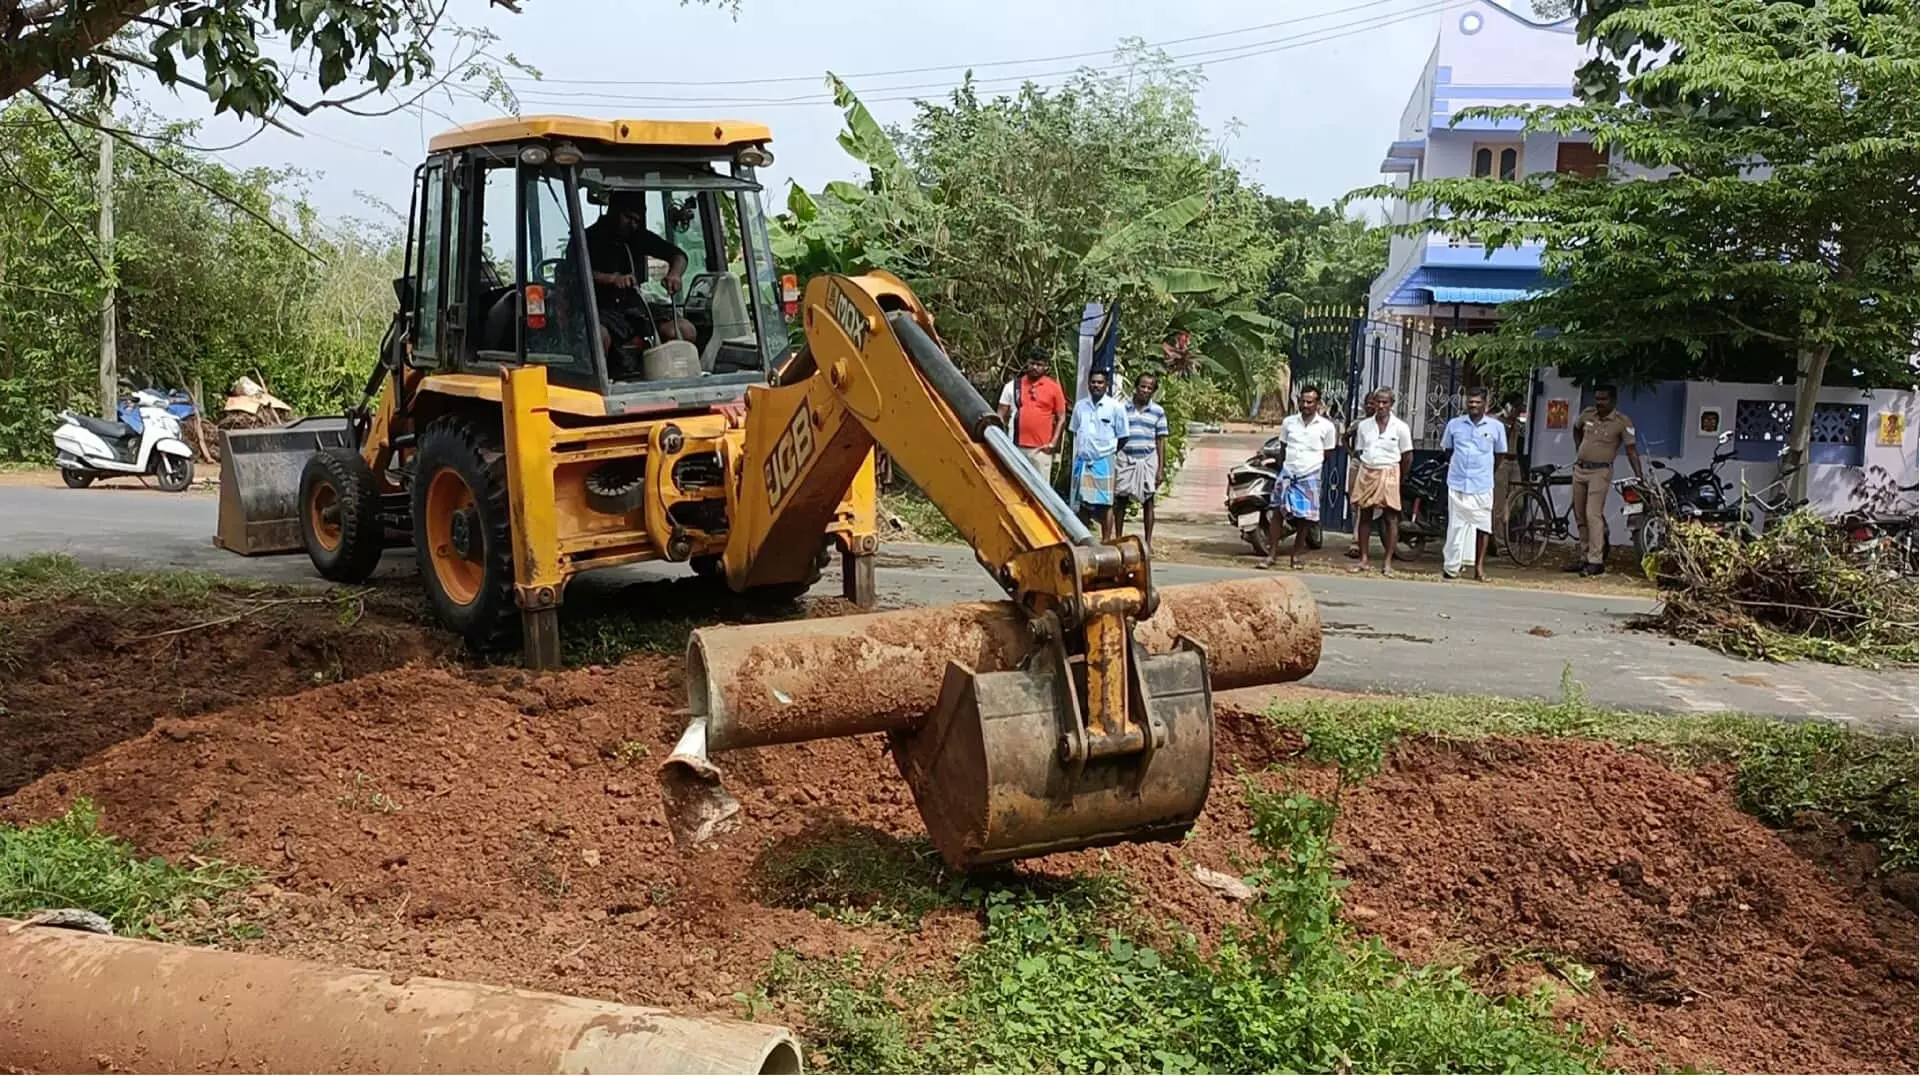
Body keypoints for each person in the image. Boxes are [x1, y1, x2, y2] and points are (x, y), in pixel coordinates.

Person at [577, 190, 695, 354]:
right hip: (599, 309)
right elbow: (573, 272)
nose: (632, 224)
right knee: (597, 337)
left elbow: (679, 256)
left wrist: (674, 274)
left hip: (635, 308)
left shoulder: (638, 237)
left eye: (636, 220)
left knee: (684, 331)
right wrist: (611, 279)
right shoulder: (587, 238)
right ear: (613, 211)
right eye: (627, 217)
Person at [1566, 385, 1645, 576]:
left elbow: (1631, 450)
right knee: (1579, 514)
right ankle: (1584, 556)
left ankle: (1596, 560)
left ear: (1613, 401)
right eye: (1597, 399)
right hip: (1580, 470)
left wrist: (1639, 476)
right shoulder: (1588, 414)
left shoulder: (1621, 422)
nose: (1599, 403)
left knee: (1592, 514)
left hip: (1600, 472)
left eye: (1604, 399)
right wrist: (1579, 449)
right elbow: (1576, 429)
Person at [1260, 385, 1338, 571]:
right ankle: (1271, 555)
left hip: (1310, 473)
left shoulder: (1327, 427)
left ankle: (1296, 555)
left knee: (1305, 518)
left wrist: (1311, 465)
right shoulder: (1289, 423)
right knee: (1277, 512)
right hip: (1288, 472)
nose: (1306, 405)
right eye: (1303, 401)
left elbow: (1328, 453)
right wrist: (1286, 467)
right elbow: (1283, 447)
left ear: (1318, 404)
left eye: (1310, 402)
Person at [1439, 388, 1508, 580]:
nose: (1473, 405)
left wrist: (1486, 471)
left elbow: (1500, 454)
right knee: (1456, 526)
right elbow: (1448, 451)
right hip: (1458, 483)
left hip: (1482, 484)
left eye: (1477, 402)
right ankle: (1452, 567)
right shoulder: (1454, 424)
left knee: (1483, 527)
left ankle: (1479, 569)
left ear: (1486, 404)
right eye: (1470, 402)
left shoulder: (1496, 427)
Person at [1350, 388, 1413, 576]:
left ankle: (1387, 562)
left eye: (1385, 402)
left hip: (1390, 471)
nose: (1381, 405)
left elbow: (1407, 456)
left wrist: (1399, 478)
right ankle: (1364, 559)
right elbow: (1360, 450)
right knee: (1365, 515)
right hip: (1368, 470)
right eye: (1378, 401)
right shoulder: (1364, 426)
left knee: (1391, 518)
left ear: (1392, 404)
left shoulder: (1400, 427)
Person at [1070, 369, 1129, 540]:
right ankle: (1084, 540)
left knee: (1105, 503)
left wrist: (1109, 452)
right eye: (1093, 382)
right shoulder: (1080, 406)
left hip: (1103, 461)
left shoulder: (1115, 408)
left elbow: (1123, 436)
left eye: (1100, 382)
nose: (1096, 385)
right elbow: (1074, 430)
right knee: (1082, 503)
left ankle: (1106, 541)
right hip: (1083, 460)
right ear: (1088, 384)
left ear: (1106, 385)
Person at [1116, 372, 1170, 552]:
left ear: (1153, 391)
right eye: (1143, 386)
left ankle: (1147, 542)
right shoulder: (1122, 409)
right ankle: (1118, 538)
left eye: (1149, 388)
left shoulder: (1158, 411)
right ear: (1136, 387)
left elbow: (1160, 440)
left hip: (1148, 459)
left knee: (1148, 500)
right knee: (1121, 499)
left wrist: (1160, 468)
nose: (1145, 390)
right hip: (1126, 458)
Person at [995, 347, 1068, 479]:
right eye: (1032, 363)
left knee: (1040, 488)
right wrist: (1002, 442)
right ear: (1027, 363)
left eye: (1039, 365)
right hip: (1015, 447)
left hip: (1041, 450)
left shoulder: (1054, 388)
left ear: (1046, 367)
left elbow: (1061, 418)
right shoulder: (1013, 386)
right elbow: (1000, 416)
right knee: (1014, 485)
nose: (1035, 367)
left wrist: (1053, 443)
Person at [1344, 392, 1381, 560]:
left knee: (1369, 503)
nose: (1370, 406)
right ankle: (1355, 539)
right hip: (1358, 462)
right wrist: (1351, 453)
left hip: (1374, 465)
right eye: (1368, 403)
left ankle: (1359, 540)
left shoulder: (1382, 424)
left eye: (1373, 403)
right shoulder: (1358, 423)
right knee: (1354, 500)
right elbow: (1345, 437)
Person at [1492, 393, 1525, 555]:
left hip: (1514, 462)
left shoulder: (1518, 423)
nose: (1518, 410)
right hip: (1502, 462)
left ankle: (1507, 535)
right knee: (1498, 505)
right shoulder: (1497, 422)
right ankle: (1498, 542)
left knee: (1517, 501)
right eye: (1515, 406)